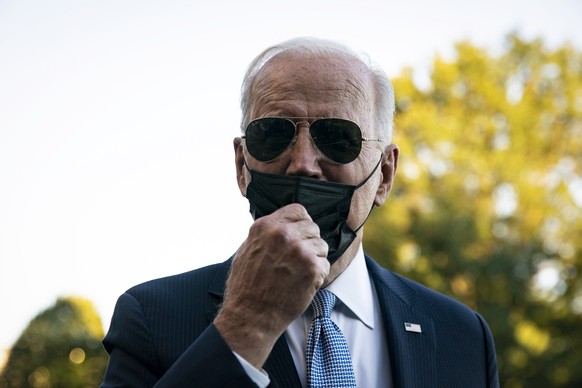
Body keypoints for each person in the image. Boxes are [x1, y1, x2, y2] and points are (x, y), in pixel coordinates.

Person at [101, 37, 500, 387]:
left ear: (384, 174)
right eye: (274, 134)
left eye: (338, 137)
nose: (303, 163)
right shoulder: (152, 318)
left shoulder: (461, 337)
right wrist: (245, 324)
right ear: (242, 166)